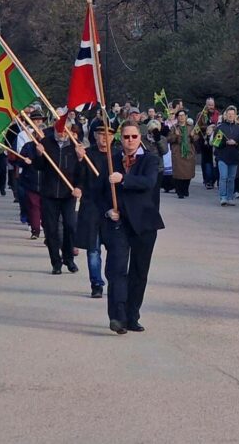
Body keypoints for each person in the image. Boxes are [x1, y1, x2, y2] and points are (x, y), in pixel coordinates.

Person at [96, 122, 165, 333]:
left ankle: (132, 315)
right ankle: (117, 317)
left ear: (140, 137)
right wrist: (108, 210)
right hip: (118, 224)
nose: (130, 141)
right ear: (120, 138)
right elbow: (98, 192)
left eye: (134, 136)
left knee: (139, 272)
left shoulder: (150, 159)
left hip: (144, 224)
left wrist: (124, 179)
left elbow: (148, 182)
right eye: (126, 137)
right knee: (116, 270)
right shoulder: (111, 160)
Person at [33, 117, 81, 275]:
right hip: (49, 193)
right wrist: (39, 155)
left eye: (65, 131)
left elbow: (82, 172)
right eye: (59, 131)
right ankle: (56, 262)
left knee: (70, 226)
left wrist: (79, 187)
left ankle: (69, 258)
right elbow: (38, 167)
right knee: (51, 229)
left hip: (68, 194)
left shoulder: (75, 147)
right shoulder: (46, 143)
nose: (62, 134)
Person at [75, 122, 117, 299]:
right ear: (95, 136)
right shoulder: (88, 155)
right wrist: (79, 160)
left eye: (108, 134)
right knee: (93, 250)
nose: (104, 138)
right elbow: (79, 179)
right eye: (100, 134)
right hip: (92, 207)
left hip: (112, 208)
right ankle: (96, 283)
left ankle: (115, 282)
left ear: (113, 137)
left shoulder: (117, 155)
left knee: (115, 249)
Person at [212, 106, 239, 206]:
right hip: (223, 156)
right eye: (229, 114)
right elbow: (216, 143)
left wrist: (235, 143)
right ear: (225, 115)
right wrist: (225, 142)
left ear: (235, 116)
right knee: (223, 177)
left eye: (232, 114)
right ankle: (223, 197)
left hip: (234, 157)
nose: (231, 116)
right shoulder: (220, 128)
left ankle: (230, 197)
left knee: (231, 178)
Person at [166, 109, 198, 198]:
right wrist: (175, 135)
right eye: (179, 116)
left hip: (188, 152)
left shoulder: (191, 127)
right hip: (178, 153)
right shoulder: (174, 127)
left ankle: (185, 189)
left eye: (183, 115)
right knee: (178, 173)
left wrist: (193, 136)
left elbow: (196, 139)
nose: (181, 117)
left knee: (188, 173)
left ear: (186, 116)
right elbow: (168, 139)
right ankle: (179, 191)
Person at [195, 98, 220, 189]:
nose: (211, 107)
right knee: (206, 161)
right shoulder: (201, 114)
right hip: (204, 141)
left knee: (214, 161)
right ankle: (208, 180)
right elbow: (197, 126)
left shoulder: (218, 114)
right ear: (206, 105)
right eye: (209, 105)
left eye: (212, 105)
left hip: (215, 141)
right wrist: (208, 127)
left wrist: (214, 127)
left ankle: (213, 179)